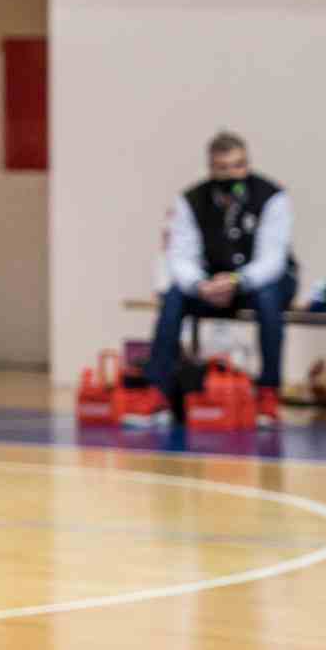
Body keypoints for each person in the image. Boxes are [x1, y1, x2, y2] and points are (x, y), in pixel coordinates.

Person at [128, 131, 298, 428]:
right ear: (211, 169)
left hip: (258, 282)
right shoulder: (190, 200)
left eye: (239, 165)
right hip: (210, 284)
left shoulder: (272, 197)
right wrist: (200, 285)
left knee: (269, 298)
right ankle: (158, 393)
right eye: (224, 168)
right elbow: (180, 256)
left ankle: (269, 393)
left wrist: (236, 281)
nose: (233, 174)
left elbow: (272, 259)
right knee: (174, 297)